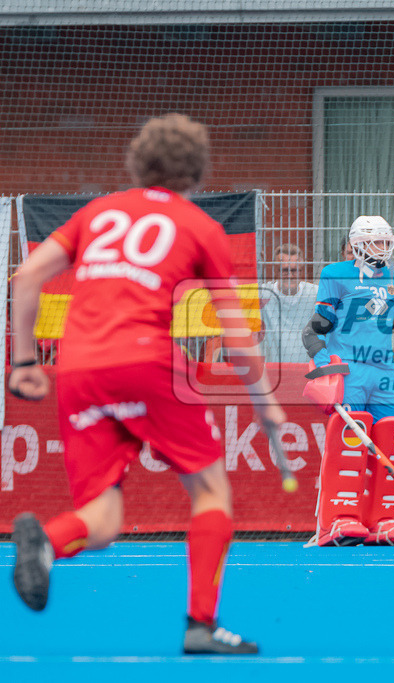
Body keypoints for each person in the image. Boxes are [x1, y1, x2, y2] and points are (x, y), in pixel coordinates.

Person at [6, 114, 284, 654]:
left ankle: (46, 541)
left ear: (137, 162)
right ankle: (201, 626)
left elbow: (26, 277)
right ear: (197, 173)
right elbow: (235, 331)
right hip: (149, 363)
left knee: (103, 521)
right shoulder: (202, 226)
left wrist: (22, 362)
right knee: (210, 490)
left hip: (79, 369)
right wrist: (267, 404)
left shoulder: (97, 212)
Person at [302, 216, 394, 546]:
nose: (384, 248)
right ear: (357, 244)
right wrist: (324, 367)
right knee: (348, 443)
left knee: (393, 442)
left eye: (387, 241)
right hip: (350, 369)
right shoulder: (335, 274)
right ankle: (337, 519)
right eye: (377, 241)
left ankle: (386, 518)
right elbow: (314, 328)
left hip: (384, 370)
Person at [260, 243, 318, 364]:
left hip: (308, 372)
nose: (290, 275)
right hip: (274, 373)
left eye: (294, 270)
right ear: (276, 271)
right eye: (284, 270)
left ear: (301, 271)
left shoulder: (315, 295)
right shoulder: (264, 294)